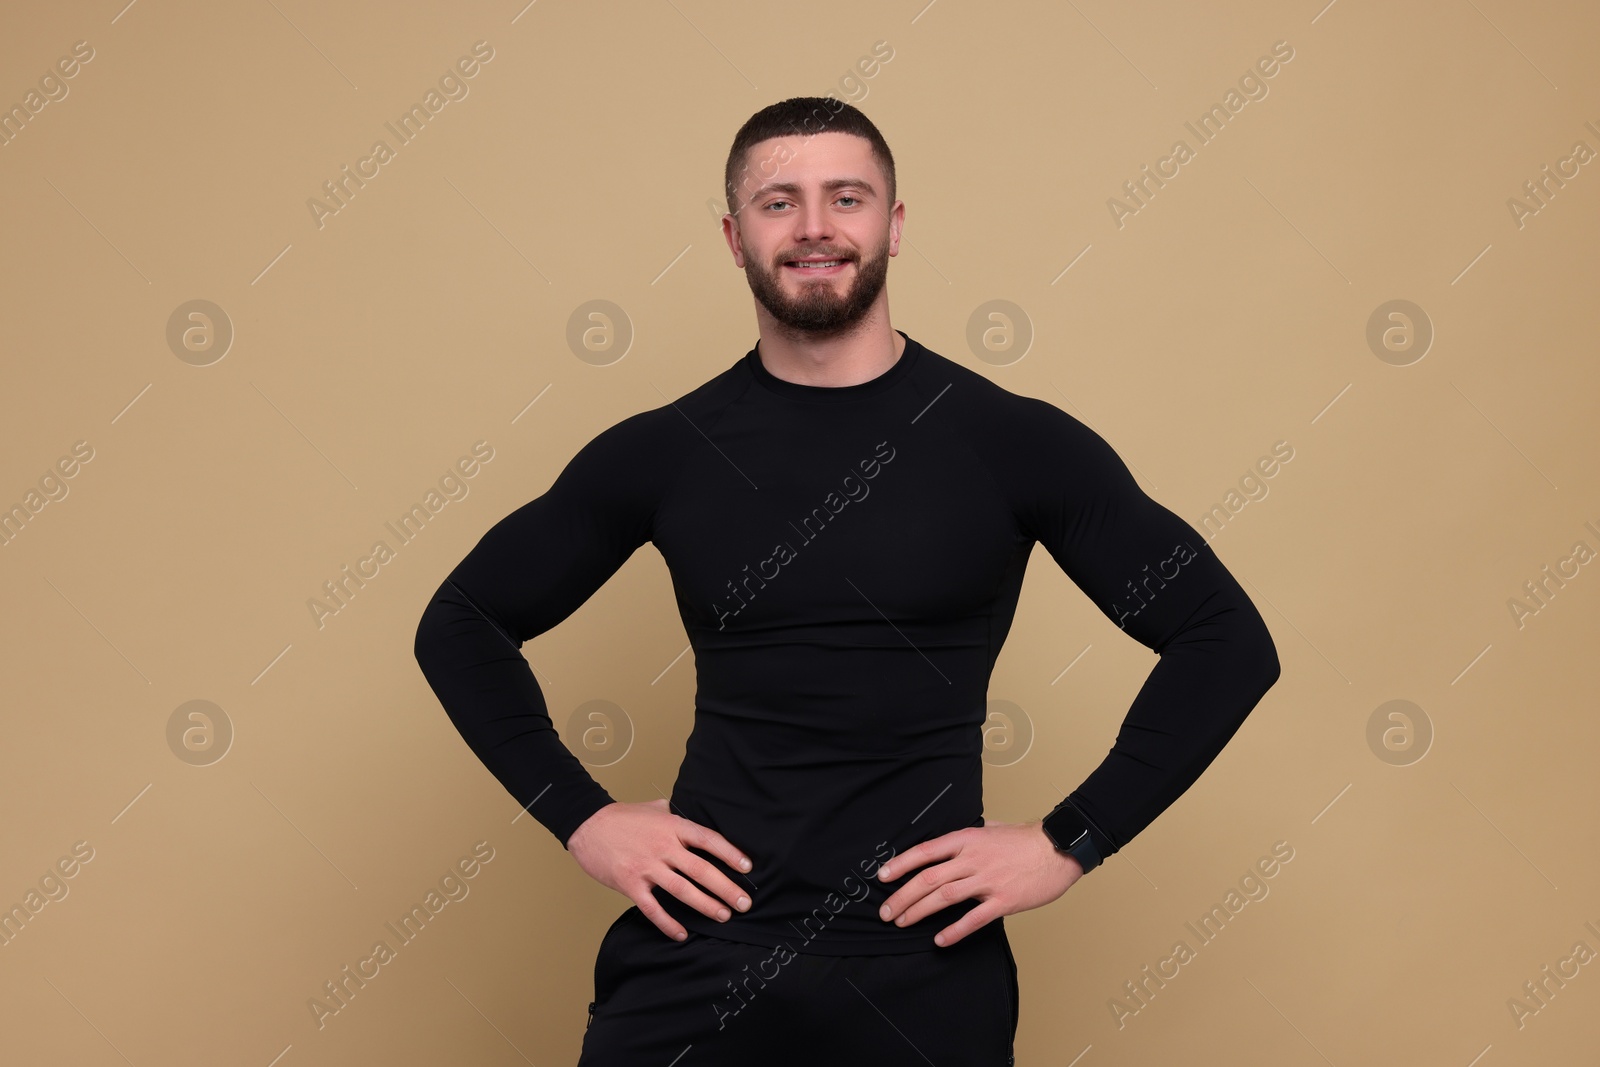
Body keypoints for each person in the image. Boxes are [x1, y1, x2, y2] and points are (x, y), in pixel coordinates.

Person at [413, 96, 1281, 1065]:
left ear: (893, 225)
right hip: (696, 964)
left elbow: (1224, 639)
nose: (816, 227)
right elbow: (463, 620)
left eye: (847, 197)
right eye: (780, 202)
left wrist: (1067, 839)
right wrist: (580, 816)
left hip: (923, 978)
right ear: (735, 237)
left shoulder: (1012, 442)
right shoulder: (665, 451)